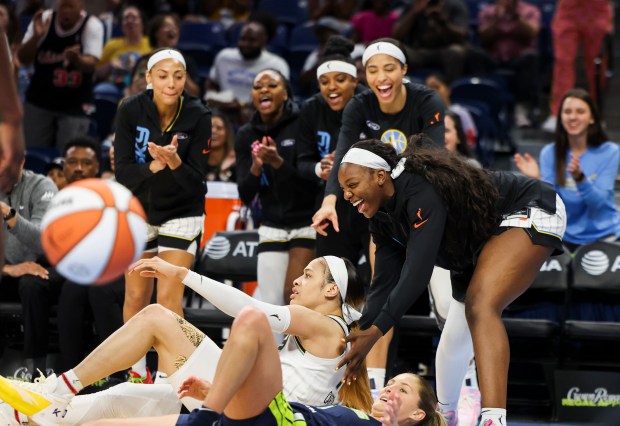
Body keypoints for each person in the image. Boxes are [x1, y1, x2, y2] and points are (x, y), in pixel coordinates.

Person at [335, 139, 566, 426]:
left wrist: (375, 333)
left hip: (527, 207)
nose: (346, 195)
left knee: (481, 305)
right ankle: (445, 418)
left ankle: (493, 419)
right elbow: (383, 285)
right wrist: (363, 333)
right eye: (343, 189)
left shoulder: (419, 190)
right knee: (453, 342)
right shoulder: (381, 219)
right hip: (474, 243)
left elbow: (417, 272)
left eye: (352, 185)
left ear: (379, 176)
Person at [0, 255, 371, 425]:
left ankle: (60, 388)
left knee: (157, 318)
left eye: (307, 275)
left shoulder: (329, 325)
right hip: (231, 402)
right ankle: (32, 412)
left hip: (258, 415)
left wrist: (181, 273)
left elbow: (249, 308)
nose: (297, 281)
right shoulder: (329, 335)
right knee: (113, 402)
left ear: (332, 291)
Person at [311, 38, 445, 392]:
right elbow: (343, 156)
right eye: (372, 70)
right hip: (387, 212)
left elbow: (434, 162)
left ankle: (464, 389)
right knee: (379, 294)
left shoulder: (426, 100)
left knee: (449, 306)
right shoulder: (360, 104)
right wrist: (329, 201)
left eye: (389, 68)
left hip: (426, 208)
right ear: (364, 76)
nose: (381, 77)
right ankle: (372, 388)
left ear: (404, 70)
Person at [114, 47, 211, 382]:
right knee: (137, 294)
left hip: (183, 211)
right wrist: (155, 165)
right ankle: (137, 373)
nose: (171, 83)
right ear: (149, 78)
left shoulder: (198, 114)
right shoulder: (129, 109)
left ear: (186, 79)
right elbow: (123, 172)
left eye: (179, 76)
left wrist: (176, 163)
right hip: (139, 209)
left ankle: (171, 378)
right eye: (163, 75)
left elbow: (197, 183)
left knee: (169, 297)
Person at [296, 35, 372, 299]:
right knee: (332, 278)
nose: (332, 88)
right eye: (325, 82)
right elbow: (300, 163)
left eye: (340, 80)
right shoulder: (311, 109)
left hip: (371, 201)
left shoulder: (369, 104)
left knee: (377, 279)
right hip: (332, 202)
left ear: (355, 80)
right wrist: (320, 168)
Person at [235, 69, 318, 305]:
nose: (264, 90)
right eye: (258, 86)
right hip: (271, 224)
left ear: (286, 93)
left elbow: (309, 184)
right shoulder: (245, 134)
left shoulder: (302, 124)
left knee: (294, 298)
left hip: (306, 221)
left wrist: (277, 162)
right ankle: (276, 345)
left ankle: (299, 344)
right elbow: (245, 193)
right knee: (269, 303)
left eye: (271, 85)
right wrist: (256, 166)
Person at [514, 88, 620, 252]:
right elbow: (551, 205)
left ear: (592, 118)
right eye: (567, 111)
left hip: (605, 236)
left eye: (580, 111)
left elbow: (599, 204)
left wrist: (580, 179)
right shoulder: (550, 153)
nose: (573, 117)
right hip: (564, 237)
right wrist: (538, 179)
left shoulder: (610, 152)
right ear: (560, 117)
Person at [17, 0, 104, 151]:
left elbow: (91, 64)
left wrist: (77, 59)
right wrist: (36, 38)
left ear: (81, 8)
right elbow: (23, 58)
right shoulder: (44, 19)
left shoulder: (92, 24)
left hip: (75, 102)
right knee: (30, 154)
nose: (67, 11)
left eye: (71, 6)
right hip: (40, 98)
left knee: (68, 156)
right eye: (64, 5)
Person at [1, 160, 60, 378]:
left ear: (21, 161)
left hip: (45, 264)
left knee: (32, 285)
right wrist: (8, 269)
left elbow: (42, 241)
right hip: (7, 268)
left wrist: (9, 214)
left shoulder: (42, 186)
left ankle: (36, 373)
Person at [541, 0, 613, 132]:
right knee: (563, 61)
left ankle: (594, 113)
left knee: (597, 65)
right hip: (569, 9)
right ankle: (559, 112)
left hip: (596, 9)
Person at [205, 18, 289, 127]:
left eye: (252, 40)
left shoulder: (277, 64)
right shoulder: (224, 57)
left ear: (263, 41)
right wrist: (218, 101)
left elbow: (280, 97)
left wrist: (250, 107)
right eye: (243, 39)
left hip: (258, 113)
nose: (246, 44)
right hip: (224, 111)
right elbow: (211, 84)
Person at [473, 0, 541, 128]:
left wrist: (517, 18)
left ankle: (522, 109)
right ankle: (482, 105)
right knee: (475, 54)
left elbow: (532, 33)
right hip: (494, 58)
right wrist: (496, 20)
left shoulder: (529, 11)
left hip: (518, 58)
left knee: (531, 57)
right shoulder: (489, 11)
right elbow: (482, 37)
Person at [392, 0, 469, 83]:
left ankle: (449, 89)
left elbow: (463, 34)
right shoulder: (415, 4)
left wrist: (443, 21)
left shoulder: (454, 4)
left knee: (456, 51)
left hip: (446, 49)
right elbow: (397, 34)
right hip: (420, 51)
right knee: (397, 50)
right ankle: (401, 88)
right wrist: (414, 12)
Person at [95, 5, 151, 88]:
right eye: (126, 18)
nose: (130, 21)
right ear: (121, 25)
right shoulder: (111, 44)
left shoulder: (152, 43)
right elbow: (97, 73)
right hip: (115, 87)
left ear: (142, 23)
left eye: (134, 18)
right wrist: (110, 65)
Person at [147, 13, 200, 97]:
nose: (173, 29)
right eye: (167, 26)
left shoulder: (187, 61)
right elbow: (133, 90)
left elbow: (195, 94)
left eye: (175, 27)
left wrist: (183, 76)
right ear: (156, 33)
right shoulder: (145, 60)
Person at [425, 73, 477, 150]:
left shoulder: (460, 113)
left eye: (436, 87)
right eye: (427, 88)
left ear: (448, 90)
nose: (432, 91)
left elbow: (471, 140)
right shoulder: (422, 113)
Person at [206, 110, 236, 182]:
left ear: (227, 134)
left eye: (219, 128)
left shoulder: (235, 161)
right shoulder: (195, 160)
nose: (213, 131)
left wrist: (224, 171)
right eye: (210, 127)